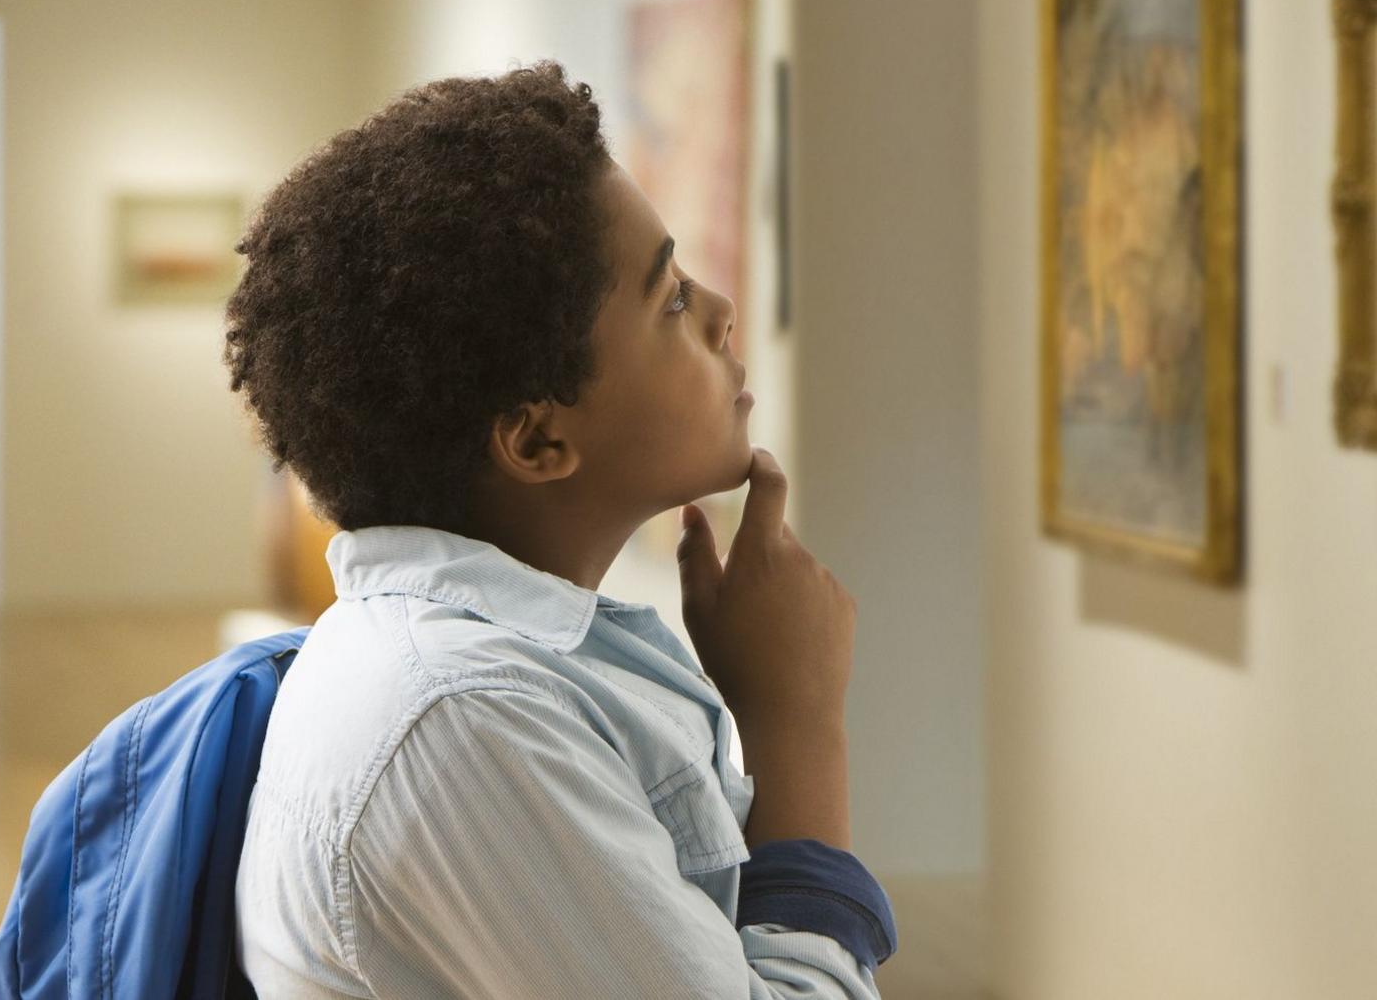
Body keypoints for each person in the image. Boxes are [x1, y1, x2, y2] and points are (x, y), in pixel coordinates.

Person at [223, 61, 894, 998]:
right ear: (539, 438)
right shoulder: (464, 719)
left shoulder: (477, 672)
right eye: (667, 299)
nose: (719, 312)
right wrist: (797, 722)